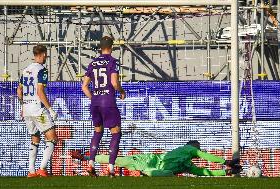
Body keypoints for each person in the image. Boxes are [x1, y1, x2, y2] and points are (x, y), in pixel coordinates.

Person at [82, 36, 126, 177]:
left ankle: (91, 164)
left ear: (100, 47)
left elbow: (84, 86)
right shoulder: (113, 61)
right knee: (116, 133)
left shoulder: (93, 63)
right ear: (111, 47)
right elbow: (114, 82)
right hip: (108, 102)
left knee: (98, 132)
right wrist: (122, 91)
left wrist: (94, 98)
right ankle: (111, 168)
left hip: (95, 103)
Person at [71, 140, 242, 177]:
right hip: (151, 160)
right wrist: (225, 162)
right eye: (198, 150)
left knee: (168, 174)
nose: (198, 153)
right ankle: (86, 157)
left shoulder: (187, 165)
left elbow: (204, 172)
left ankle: (144, 173)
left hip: (155, 168)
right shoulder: (189, 149)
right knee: (118, 160)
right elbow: (204, 156)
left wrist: (225, 172)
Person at [17, 45, 58, 178]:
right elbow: (40, 91)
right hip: (37, 109)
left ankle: (31, 171)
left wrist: (23, 106)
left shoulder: (26, 70)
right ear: (43, 54)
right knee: (52, 137)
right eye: (46, 54)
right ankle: (42, 168)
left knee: (35, 138)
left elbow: (19, 90)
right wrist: (50, 109)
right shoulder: (42, 70)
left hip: (27, 110)